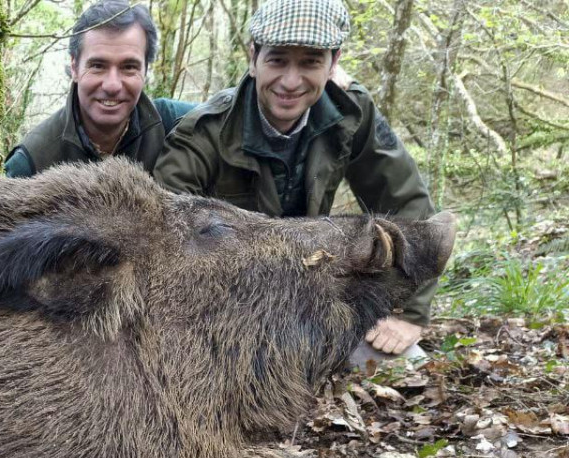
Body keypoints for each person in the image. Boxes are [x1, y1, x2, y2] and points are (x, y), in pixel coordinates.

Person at [153, 0, 438, 365]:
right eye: (277, 60)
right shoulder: (203, 133)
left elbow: (410, 209)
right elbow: (161, 244)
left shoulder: (350, 114)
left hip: (316, 301)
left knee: (407, 366)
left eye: (310, 62)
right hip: (225, 313)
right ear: (253, 58)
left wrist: (408, 313)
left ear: (333, 63)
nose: (290, 81)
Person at [3, 1, 196, 178]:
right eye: (97, 65)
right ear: (74, 68)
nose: (112, 85)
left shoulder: (178, 125)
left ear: (145, 70)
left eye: (129, 67)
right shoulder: (33, 162)